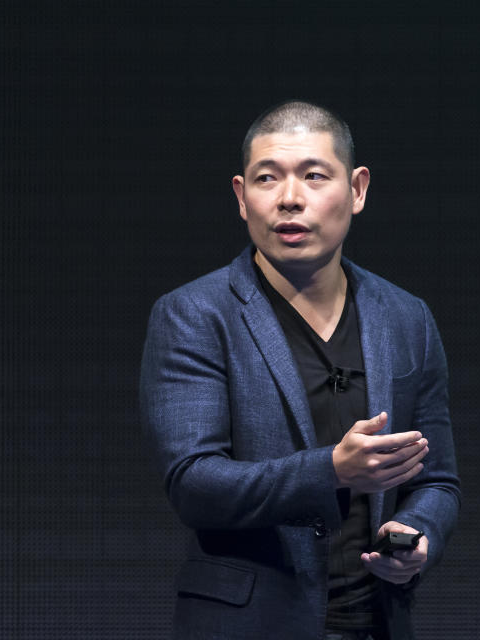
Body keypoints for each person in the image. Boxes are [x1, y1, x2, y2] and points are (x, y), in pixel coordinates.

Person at [140, 100, 461, 640]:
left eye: (315, 176)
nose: (290, 198)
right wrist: (331, 471)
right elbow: (193, 483)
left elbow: (438, 480)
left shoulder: (407, 317)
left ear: (357, 190)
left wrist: (417, 534)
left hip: (377, 621)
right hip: (247, 624)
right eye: (268, 178)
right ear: (242, 197)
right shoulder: (194, 313)